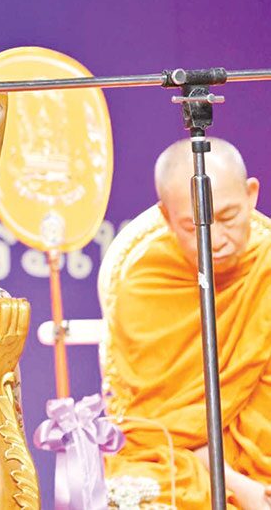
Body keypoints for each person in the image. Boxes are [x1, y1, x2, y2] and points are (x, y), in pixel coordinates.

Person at [105, 138, 271, 510]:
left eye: (229, 217)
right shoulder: (144, 284)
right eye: (194, 226)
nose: (216, 240)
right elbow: (158, 424)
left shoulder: (266, 270)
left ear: (251, 195)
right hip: (182, 464)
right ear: (166, 218)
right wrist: (237, 486)